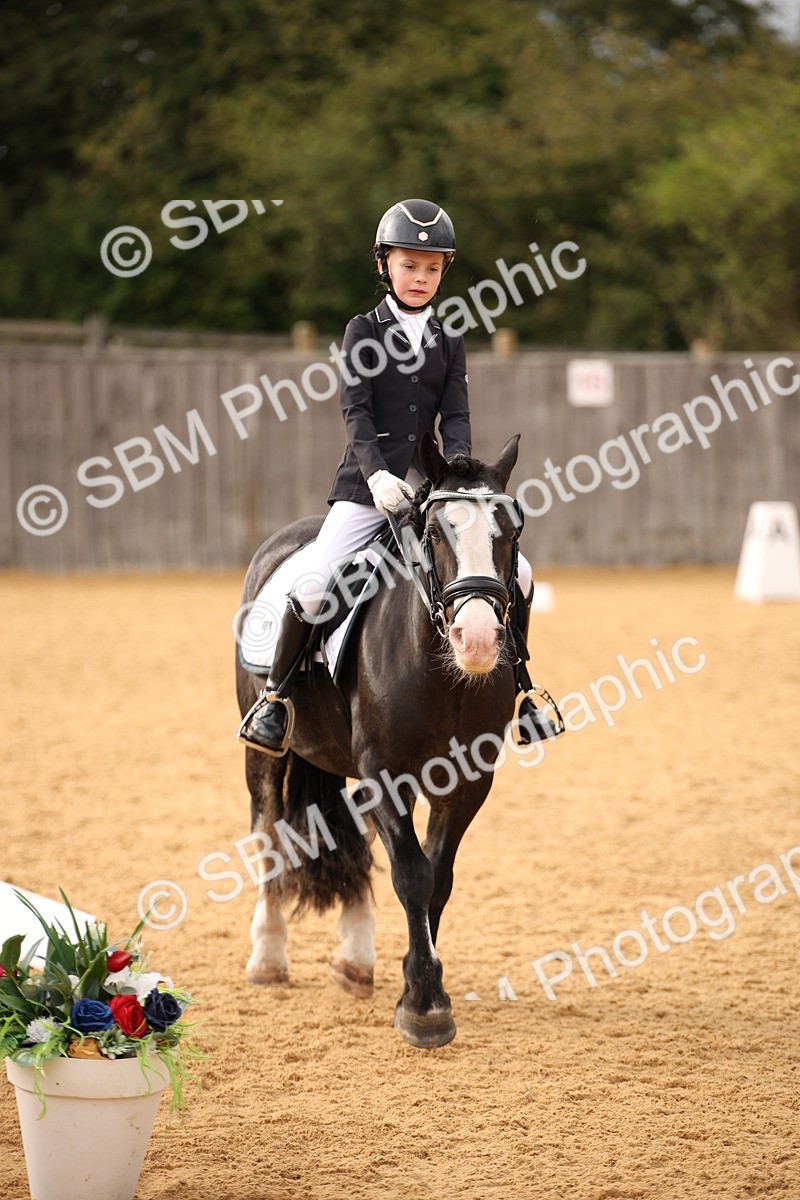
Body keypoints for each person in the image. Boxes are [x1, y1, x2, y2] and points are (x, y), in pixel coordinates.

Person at [238, 198, 559, 755]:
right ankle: (276, 698)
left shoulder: (448, 339)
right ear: (384, 265)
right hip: (367, 493)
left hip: (435, 492)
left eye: (432, 268)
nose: (421, 277)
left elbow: (455, 415)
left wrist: (459, 471)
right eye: (410, 265)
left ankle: (523, 693)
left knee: (521, 573)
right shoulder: (363, 331)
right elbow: (355, 412)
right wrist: (380, 477)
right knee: (313, 581)